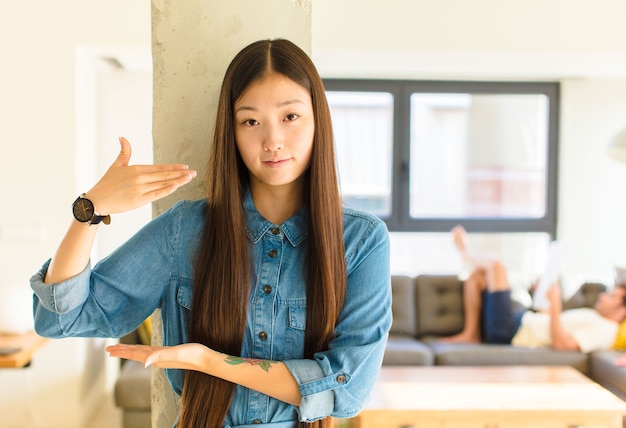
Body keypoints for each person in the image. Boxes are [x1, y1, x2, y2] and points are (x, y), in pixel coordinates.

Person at [30, 39, 392, 428]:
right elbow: (62, 319)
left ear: (318, 118)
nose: (272, 141)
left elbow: (349, 389)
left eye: (290, 117)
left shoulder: (360, 239)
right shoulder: (186, 230)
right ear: (231, 131)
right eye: (250, 121)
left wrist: (208, 361)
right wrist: (90, 210)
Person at [442, 225, 626, 352]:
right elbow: (548, 325)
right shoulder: (594, 317)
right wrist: (542, 298)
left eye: (611, 296)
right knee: (477, 277)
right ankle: (471, 333)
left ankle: (466, 255)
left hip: (513, 331)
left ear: (622, 310)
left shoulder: (606, 330)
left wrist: (555, 305)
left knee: (497, 266)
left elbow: (562, 345)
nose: (602, 296)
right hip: (520, 323)